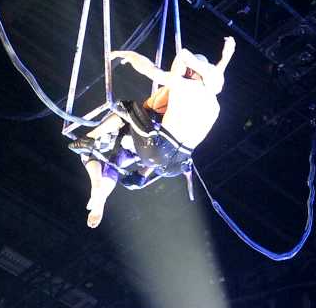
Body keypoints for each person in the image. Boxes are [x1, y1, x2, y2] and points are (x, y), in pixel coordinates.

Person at [69, 37, 236, 228]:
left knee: (124, 110)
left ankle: (90, 141)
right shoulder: (214, 104)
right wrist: (226, 56)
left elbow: (149, 69)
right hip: (174, 165)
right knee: (123, 155)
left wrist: (129, 55)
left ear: (189, 71)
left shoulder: (181, 86)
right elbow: (215, 78)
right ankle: (129, 179)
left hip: (154, 147)